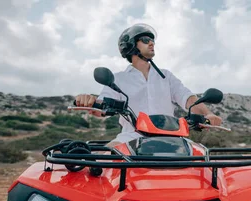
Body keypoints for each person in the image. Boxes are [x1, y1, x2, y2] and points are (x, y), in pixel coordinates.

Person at [74, 23, 222, 147]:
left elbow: (187, 98)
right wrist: (90, 101)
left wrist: (207, 114)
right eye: (145, 40)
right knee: (101, 161)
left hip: (172, 138)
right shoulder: (118, 79)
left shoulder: (166, 76)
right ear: (131, 45)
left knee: (203, 160)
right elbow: (101, 107)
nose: (151, 43)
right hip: (130, 138)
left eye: (152, 40)